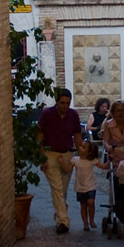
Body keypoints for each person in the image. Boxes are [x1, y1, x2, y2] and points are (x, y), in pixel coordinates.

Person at [37, 88, 83, 234]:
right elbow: (39, 136)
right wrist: (41, 157)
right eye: (62, 103)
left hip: (67, 154)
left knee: (62, 190)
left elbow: (77, 135)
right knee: (56, 188)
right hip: (50, 154)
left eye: (68, 103)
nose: (65, 106)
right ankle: (63, 222)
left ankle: (59, 215)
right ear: (56, 102)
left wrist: (81, 153)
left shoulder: (73, 115)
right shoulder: (47, 114)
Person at [66, 141, 109, 231]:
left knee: (90, 202)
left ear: (89, 152)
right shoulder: (75, 160)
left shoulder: (92, 161)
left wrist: (110, 160)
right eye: (81, 146)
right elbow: (67, 169)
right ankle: (85, 223)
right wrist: (61, 162)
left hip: (90, 185)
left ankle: (91, 220)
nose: (80, 148)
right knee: (83, 205)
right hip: (80, 186)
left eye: (83, 147)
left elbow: (103, 166)